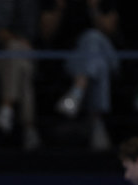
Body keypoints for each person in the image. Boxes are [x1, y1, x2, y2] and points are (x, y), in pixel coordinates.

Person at [41, 0, 120, 151]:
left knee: (93, 38)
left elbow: (109, 30)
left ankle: (77, 92)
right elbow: (46, 34)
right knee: (98, 66)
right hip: (73, 62)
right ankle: (97, 123)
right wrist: (59, 9)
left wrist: (94, 8)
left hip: (109, 55)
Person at [0, 0, 42, 151]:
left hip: (24, 53)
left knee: (18, 56)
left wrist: (10, 38)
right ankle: (29, 128)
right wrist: (6, 39)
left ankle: (6, 110)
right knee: (21, 63)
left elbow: (31, 33)